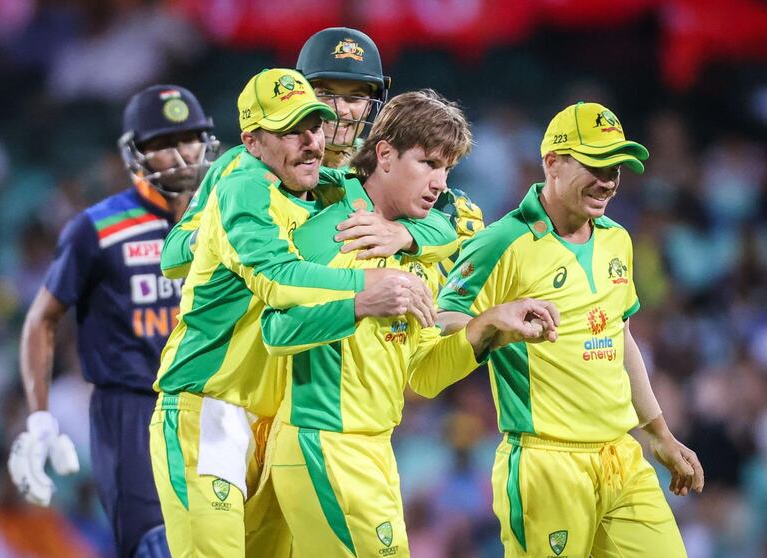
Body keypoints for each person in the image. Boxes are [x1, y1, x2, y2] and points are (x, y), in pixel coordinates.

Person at [148, 69, 452, 558]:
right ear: (252, 141)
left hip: (276, 416)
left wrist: (408, 236)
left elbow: (436, 214)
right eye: (294, 130)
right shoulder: (242, 182)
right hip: (211, 404)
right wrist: (369, 285)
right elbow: (273, 278)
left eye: (315, 125)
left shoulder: (323, 187)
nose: (313, 141)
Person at [257, 90, 559, 558]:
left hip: (376, 449)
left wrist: (488, 326)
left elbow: (423, 373)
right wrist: (361, 303)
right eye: (427, 163)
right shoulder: (332, 228)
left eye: (447, 169)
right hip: (322, 443)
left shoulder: (417, 250)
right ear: (384, 155)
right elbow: (274, 332)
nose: (439, 182)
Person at [427, 101, 705, 557]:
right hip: (545, 463)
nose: (609, 180)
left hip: (622, 458)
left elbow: (621, 338)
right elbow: (439, 319)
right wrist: (494, 320)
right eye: (596, 164)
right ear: (551, 163)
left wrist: (659, 433)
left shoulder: (618, 237)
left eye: (616, 166)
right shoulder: (504, 241)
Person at [7, 84, 220, 558]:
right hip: (133, 411)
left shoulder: (227, 219)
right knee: (157, 546)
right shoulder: (98, 228)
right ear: (136, 154)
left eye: (189, 139)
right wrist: (39, 416)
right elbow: (41, 319)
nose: (181, 154)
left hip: (216, 404)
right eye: (163, 143)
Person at [160, 26, 479, 281]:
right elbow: (172, 259)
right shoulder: (243, 164)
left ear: (373, 103)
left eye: (355, 96)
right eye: (326, 94)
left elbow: (444, 230)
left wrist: (405, 232)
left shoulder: (378, 168)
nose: (341, 110)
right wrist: (229, 228)